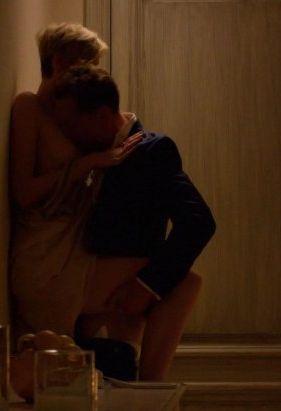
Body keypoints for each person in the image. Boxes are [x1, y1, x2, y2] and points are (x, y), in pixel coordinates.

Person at [52, 65, 216, 381]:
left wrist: (146, 286)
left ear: (101, 117)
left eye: (71, 125)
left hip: (118, 321)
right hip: (78, 319)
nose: (65, 133)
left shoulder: (150, 152)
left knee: (187, 283)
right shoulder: (84, 155)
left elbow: (198, 222)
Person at [8, 23, 144, 340]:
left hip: (78, 242)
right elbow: (23, 193)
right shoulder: (29, 108)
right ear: (58, 62)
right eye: (88, 64)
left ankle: (129, 366)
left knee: (142, 295)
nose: (91, 75)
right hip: (46, 253)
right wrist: (88, 163)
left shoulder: (73, 117)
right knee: (157, 277)